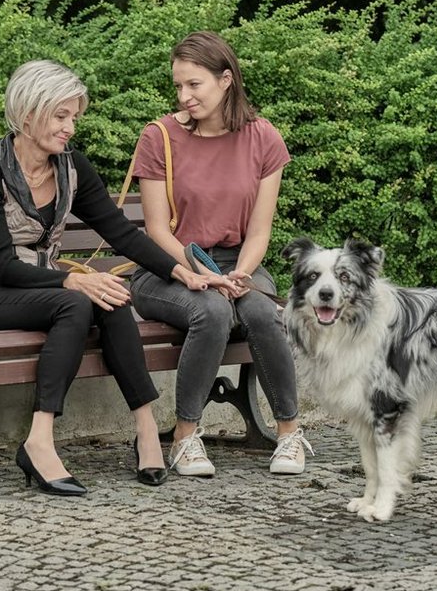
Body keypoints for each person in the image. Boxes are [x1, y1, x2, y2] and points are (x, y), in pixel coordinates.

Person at [0, 59, 236, 495]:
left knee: (110, 294)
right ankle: (39, 442)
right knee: (80, 296)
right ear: (28, 114)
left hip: (38, 293)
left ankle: (144, 431)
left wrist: (186, 274)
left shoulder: (70, 167)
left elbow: (120, 232)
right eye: (61, 116)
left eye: (74, 117)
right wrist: (70, 280)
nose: (70, 128)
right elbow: (3, 265)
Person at [129, 31, 313, 477]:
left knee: (263, 312)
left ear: (226, 80)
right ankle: (185, 437)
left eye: (195, 84)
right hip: (168, 268)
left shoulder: (263, 137)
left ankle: (289, 433)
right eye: (178, 86)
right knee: (211, 309)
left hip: (238, 264)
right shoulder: (160, 137)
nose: (184, 95)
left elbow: (259, 230)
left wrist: (241, 275)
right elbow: (155, 230)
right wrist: (202, 275)